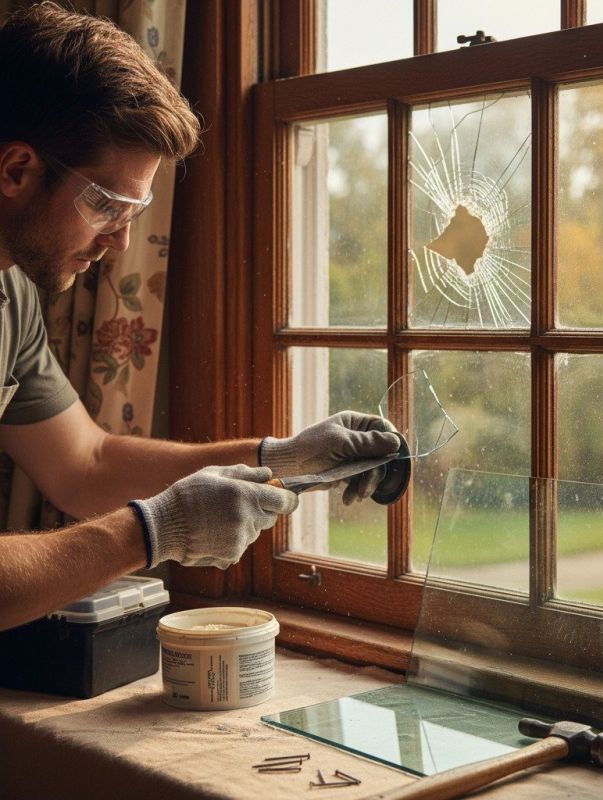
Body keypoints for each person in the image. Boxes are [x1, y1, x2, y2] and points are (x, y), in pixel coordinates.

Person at [0, 3, 399, 632]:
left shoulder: (13, 291)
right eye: (106, 206)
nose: (120, 243)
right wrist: (155, 530)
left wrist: (282, 458)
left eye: (133, 213)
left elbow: (85, 465)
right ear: (17, 170)